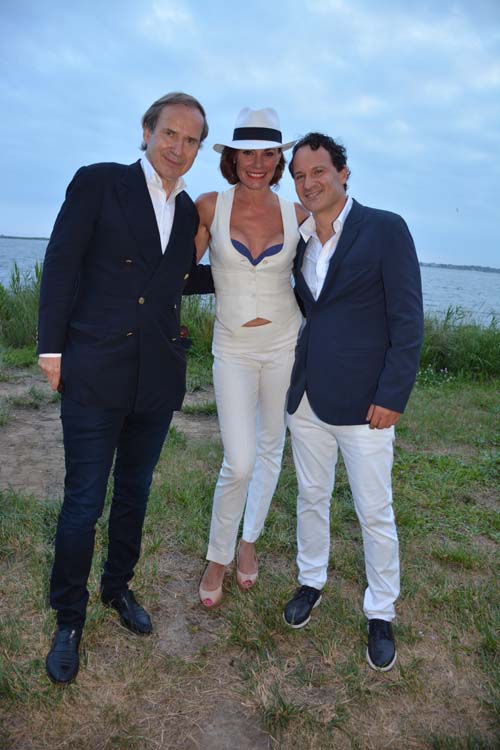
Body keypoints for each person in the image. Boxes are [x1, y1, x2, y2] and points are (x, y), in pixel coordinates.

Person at [38, 92, 214, 684]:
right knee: (84, 502)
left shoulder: (188, 212)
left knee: (134, 494)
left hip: (156, 376)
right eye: (171, 134)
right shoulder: (99, 183)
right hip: (95, 367)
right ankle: (69, 616)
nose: (179, 149)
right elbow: (62, 262)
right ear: (147, 131)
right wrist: (51, 347)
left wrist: (261, 270)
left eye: (191, 141)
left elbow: (177, 280)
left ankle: (117, 589)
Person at [282, 133, 423, 671]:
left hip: (368, 404)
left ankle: (381, 609)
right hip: (308, 398)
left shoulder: (385, 229)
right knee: (311, 497)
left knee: (373, 509)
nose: (310, 182)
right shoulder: (300, 240)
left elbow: (407, 320)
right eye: (300, 175)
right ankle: (311, 580)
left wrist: (393, 394)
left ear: (343, 173)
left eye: (319, 171)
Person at [195, 108, 308, 607]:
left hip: (286, 342)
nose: (257, 163)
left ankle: (247, 545)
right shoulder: (209, 207)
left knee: (269, 448)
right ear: (233, 158)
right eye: (248, 154)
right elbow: (173, 269)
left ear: (278, 160)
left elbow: (324, 274)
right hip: (234, 347)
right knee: (238, 461)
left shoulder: (296, 214)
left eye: (268, 154)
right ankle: (216, 556)